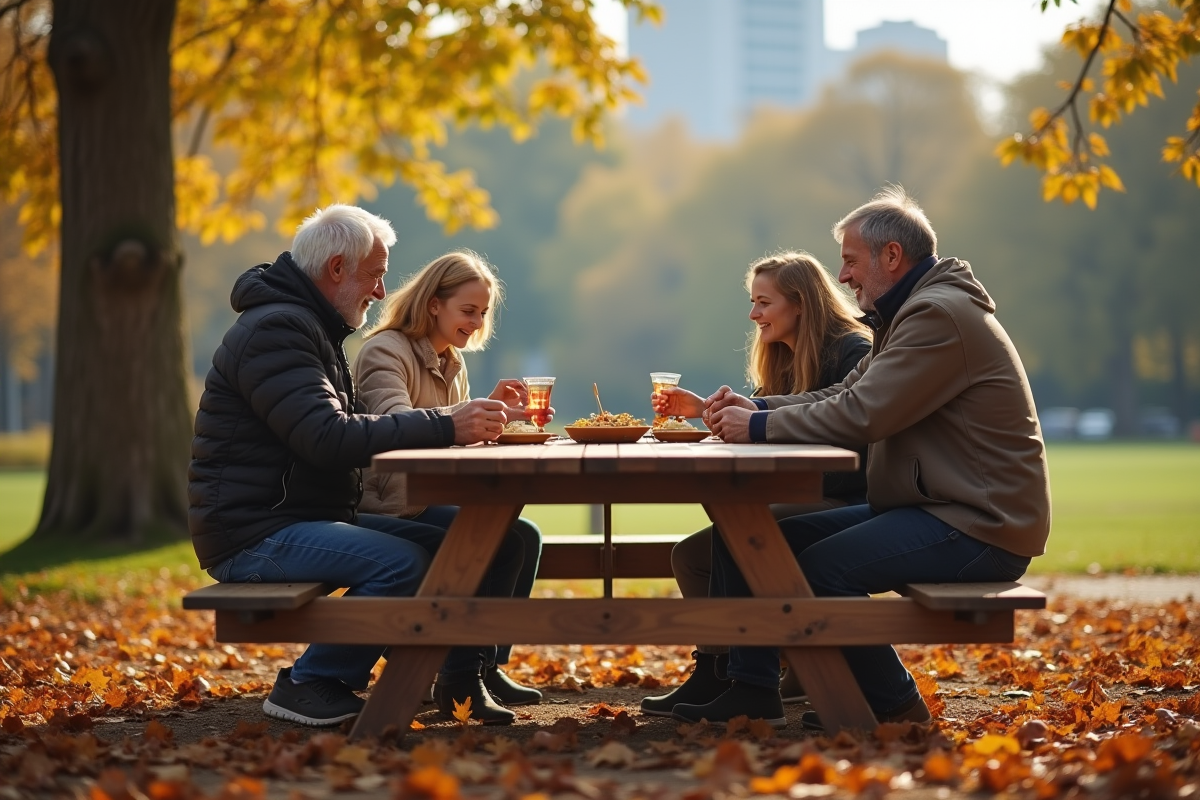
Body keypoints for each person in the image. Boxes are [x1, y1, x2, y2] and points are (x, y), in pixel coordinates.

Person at [675, 186, 1051, 730]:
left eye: (851, 261)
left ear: (891, 256)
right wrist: (755, 407)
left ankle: (896, 709)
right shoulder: (905, 318)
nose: (844, 276)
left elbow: (863, 413)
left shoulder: (937, 318)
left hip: (979, 524)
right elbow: (840, 395)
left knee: (824, 571)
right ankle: (752, 689)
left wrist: (757, 425)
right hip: (934, 506)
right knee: (755, 535)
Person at [189, 205, 525, 727]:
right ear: (338, 269)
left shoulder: (309, 327)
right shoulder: (278, 330)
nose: (380, 289)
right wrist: (445, 424)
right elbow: (327, 436)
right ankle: (309, 681)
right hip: (255, 531)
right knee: (401, 563)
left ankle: (450, 675)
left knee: (454, 544)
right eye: (374, 274)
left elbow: (343, 428)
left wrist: (452, 422)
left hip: (302, 513)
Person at [638, 252, 872, 717]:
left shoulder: (853, 351)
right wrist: (706, 410)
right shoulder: (782, 355)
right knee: (691, 557)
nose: (753, 314)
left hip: (844, 498)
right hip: (795, 492)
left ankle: (752, 682)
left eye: (763, 302)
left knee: (742, 535)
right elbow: (763, 421)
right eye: (753, 302)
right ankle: (715, 672)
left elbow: (854, 443)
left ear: (801, 303)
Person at [353, 251, 545, 724]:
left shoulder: (449, 361)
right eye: (469, 310)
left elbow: (452, 444)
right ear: (434, 304)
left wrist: (489, 416)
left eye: (483, 313)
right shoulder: (386, 351)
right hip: (389, 504)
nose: (478, 322)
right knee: (486, 538)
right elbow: (395, 426)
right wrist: (465, 420)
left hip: (425, 499)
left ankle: (484, 665)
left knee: (522, 535)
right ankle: (459, 681)